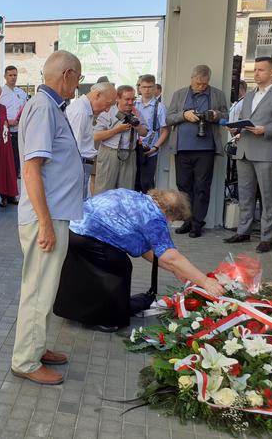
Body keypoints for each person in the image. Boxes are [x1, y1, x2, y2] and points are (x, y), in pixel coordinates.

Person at [11, 50, 84, 386]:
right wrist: (43, 222)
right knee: (38, 289)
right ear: (67, 74)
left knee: (45, 287)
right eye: (78, 77)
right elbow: (31, 169)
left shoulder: (49, 107)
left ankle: (36, 347)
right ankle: (25, 361)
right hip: (47, 216)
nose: (78, 84)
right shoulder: (43, 108)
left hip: (53, 214)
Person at [53, 189, 224, 331]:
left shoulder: (139, 198)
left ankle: (82, 310)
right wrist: (205, 281)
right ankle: (104, 319)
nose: (171, 223)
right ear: (170, 213)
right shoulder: (154, 216)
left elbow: (148, 251)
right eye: (174, 220)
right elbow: (171, 257)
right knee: (118, 265)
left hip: (74, 231)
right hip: (91, 237)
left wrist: (176, 270)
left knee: (104, 265)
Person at [224, 57, 272, 253]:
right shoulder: (249, 95)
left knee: (268, 196)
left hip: (266, 152)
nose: (256, 73)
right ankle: (243, 230)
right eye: (255, 69)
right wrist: (235, 129)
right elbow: (245, 120)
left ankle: (266, 237)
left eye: (261, 70)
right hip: (245, 149)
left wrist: (266, 129)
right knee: (245, 194)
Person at [166, 65, 229, 238]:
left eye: (204, 84)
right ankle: (187, 220)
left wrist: (215, 115)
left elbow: (226, 116)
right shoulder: (180, 94)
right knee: (183, 187)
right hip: (182, 148)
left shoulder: (217, 94)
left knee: (202, 187)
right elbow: (169, 118)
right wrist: (184, 115)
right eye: (198, 83)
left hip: (206, 149)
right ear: (192, 78)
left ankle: (197, 224)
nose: (201, 86)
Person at [93, 85, 148, 194]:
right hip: (109, 153)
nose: (130, 102)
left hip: (129, 154)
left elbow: (145, 132)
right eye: (127, 99)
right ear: (117, 98)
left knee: (126, 191)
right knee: (104, 190)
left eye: (133, 99)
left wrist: (138, 126)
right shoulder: (107, 112)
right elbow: (96, 136)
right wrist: (116, 130)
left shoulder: (136, 113)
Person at [66, 82, 117, 199]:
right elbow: (74, 148)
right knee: (77, 205)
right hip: (78, 165)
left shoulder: (84, 109)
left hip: (82, 164)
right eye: (107, 104)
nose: (107, 110)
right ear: (97, 95)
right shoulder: (80, 112)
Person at [134, 74, 169, 193]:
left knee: (147, 184)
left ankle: (147, 209)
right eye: (144, 87)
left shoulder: (160, 107)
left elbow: (165, 130)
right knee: (133, 182)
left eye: (150, 87)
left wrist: (155, 147)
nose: (147, 90)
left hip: (149, 150)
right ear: (139, 88)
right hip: (133, 149)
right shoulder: (134, 105)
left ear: (155, 88)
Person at [0, 65, 28, 183]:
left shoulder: (21, 93)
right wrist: (6, 121)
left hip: (19, 132)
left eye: (15, 75)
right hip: (4, 133)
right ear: (5, 76)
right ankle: (5, 196)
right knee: (6, 163)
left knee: (17, 162)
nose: (13, 78)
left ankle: (14, 192)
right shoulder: (0, 92)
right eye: (10, 75)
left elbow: (25, 110)